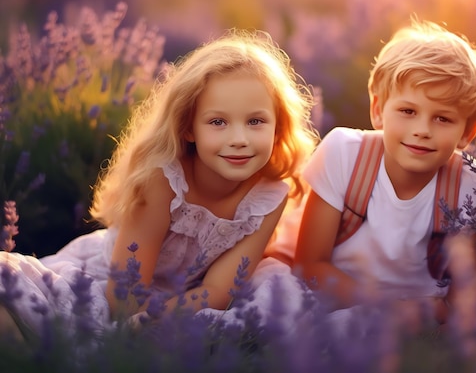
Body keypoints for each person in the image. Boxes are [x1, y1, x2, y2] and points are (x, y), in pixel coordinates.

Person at [0, 29, 318, 338]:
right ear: (188, 128)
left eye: (255, 121)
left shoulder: (270, 196)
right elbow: (124, 294)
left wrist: (163, 319)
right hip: (113, 282)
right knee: (21, 313)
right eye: (218, 122)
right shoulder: (163, 179)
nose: (239, 139)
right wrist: (136, 329)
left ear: (278, 127)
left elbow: (220, 289)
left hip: (189, 296)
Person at [291, 18, 476, 323]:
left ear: (469, 131)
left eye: (443, 118)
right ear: (377, 109)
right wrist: (386, 310)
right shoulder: (344, 155)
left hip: (423, 327)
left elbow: (466, 297)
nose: (422, 130)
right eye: (408, 111)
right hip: (334, 305)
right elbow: (309, 266)